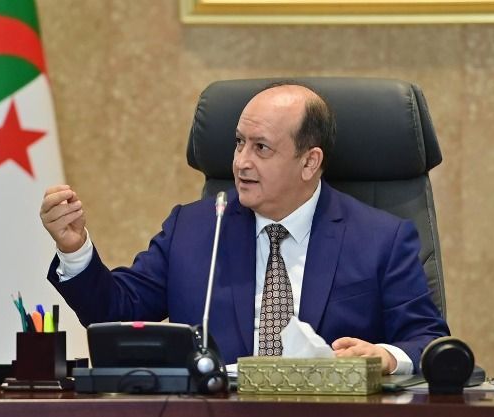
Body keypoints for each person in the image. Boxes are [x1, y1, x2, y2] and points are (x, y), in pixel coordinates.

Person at [40, 83, 449, 374]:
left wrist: (386, 357)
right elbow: (115, 311)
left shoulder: (381, 239)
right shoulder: (194, 230)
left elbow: (427, 339)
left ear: (309, 162)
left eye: (261, 148)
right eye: (239, 143)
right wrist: (75, 249)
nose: (240, 162)